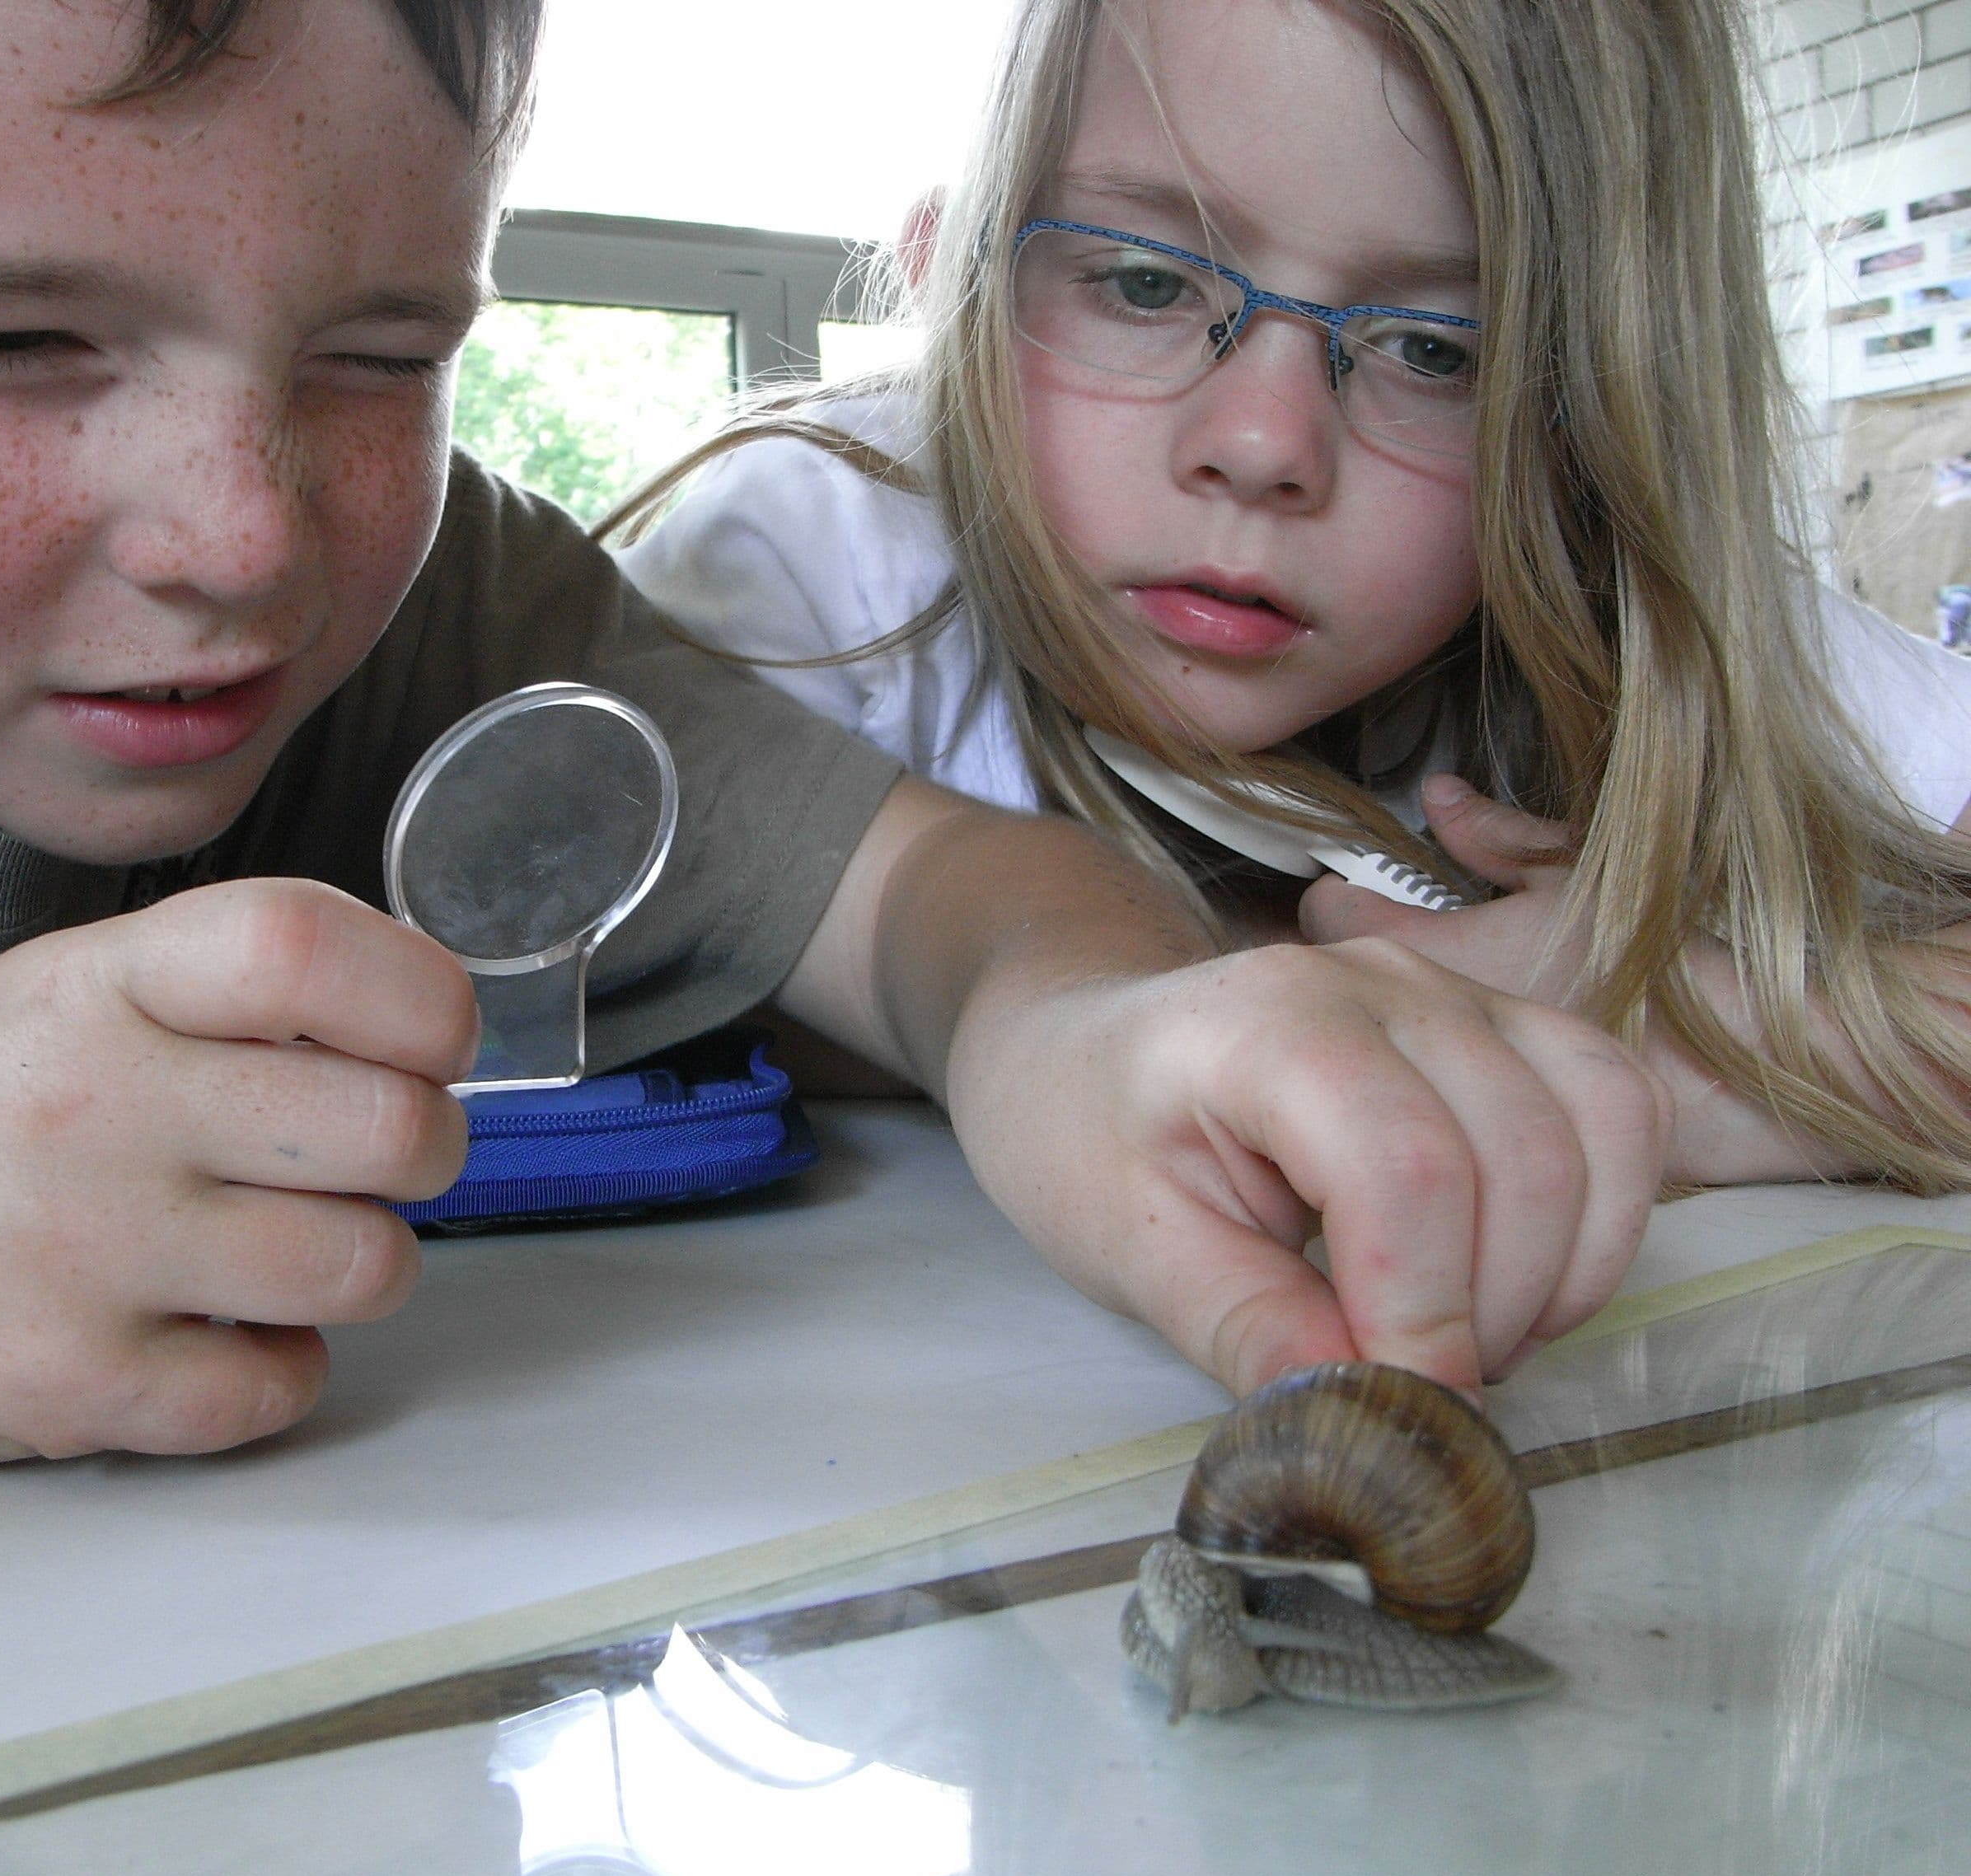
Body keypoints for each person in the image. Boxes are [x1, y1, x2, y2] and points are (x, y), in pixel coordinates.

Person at [0, 0, 1670, 1521]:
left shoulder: (446, 623)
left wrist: (1087, 1024)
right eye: (1, 341)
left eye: (381, 354)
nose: (246, 539)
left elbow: (931, 902)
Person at [617, 0, 1971, 1205]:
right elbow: (650, 995)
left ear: (1586, 445)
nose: (1263, 444)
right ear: (956, 273)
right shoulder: (825, 547)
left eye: (1437, 352)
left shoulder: (1637, 611)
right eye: (1145, 282)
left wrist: (1696, 1043)